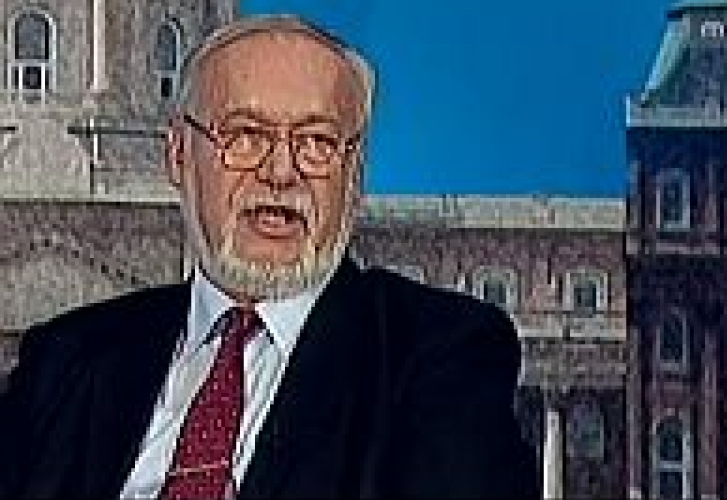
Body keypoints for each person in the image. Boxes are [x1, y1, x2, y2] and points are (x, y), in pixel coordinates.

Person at [0, 15, 540, 499]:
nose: (281, 172)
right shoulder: (66, 358)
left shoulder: (439, 353)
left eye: (317, 142)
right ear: (179, 155)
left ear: (354, 174)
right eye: (245, 135)